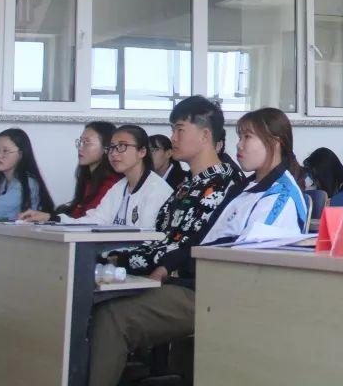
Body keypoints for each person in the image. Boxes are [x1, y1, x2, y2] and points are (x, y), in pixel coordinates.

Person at [88, 96, 241, 386]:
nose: (173, 138)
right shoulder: (186, 185)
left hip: (196, 287)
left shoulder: (225, 185)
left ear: (205, 135)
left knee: (112, 315)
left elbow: (184, 248)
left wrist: (123, 260)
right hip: (163, 277)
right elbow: (160, 238)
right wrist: (114, 258)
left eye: (179, 130)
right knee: (83, 296)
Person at [19, 125, 172, 227]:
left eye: (122, 146)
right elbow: (95, 221)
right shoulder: (119, 188)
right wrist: (51, 218)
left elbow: (148, 237)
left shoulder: (156, 190)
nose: (113, 153)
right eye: (111, 148)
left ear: (142, 152)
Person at [201, 108, 308, 244]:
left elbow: (246, 248)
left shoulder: (281, 195)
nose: (239, 145)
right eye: (240, 137)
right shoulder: (243, 188)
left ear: (275, 143)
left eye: (247, 137)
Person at [55, 121, 120, 219]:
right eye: (80, 142)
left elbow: (90, 219)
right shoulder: (88, 178)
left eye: (86, 142)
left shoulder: (111, 183)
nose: (80, 148)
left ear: (106, 148)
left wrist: (53, 218)